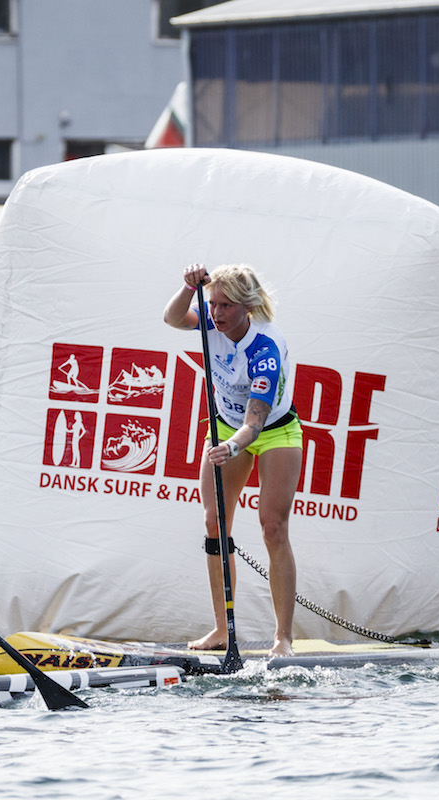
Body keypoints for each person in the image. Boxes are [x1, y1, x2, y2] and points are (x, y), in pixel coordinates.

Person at [163, 263, 302, 657]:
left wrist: (233, 447)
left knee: (272, 528)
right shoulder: (210, 324)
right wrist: (188, 287)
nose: (217, 313)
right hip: (226, 424)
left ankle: (283, 639)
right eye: (214, 304)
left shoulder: (265, 349)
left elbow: (255, 422)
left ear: (248, 308)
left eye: (226, 306)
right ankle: (223, 629)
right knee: (214, 522)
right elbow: (172, 318)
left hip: (273, 431)